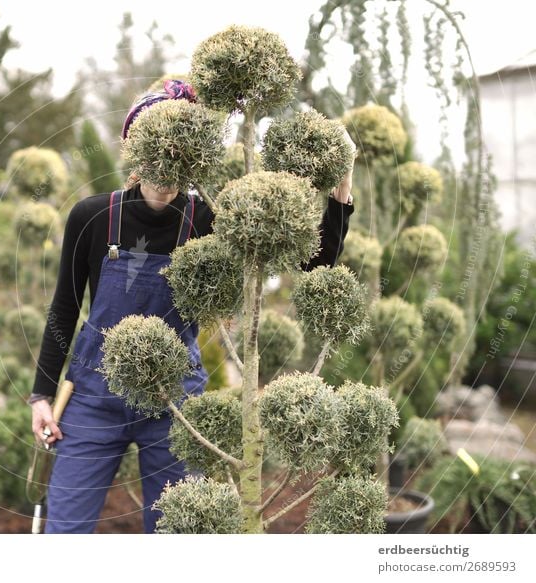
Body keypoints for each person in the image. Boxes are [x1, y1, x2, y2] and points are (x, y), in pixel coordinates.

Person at [27, 79, 356, 534]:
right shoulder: (92, 216)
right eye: (158, 145)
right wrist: (42, 394)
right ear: (136, 147)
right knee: (64, 530)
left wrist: (341, 189)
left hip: (174, 404)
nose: (168, 160)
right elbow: (64, 307)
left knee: (175, 534)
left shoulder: (208, 219)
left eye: (182, 148)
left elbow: (312, 259)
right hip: (92, 400)